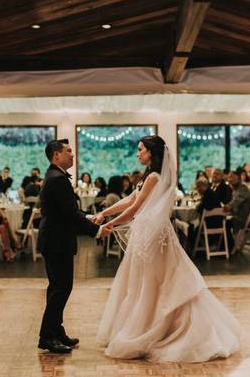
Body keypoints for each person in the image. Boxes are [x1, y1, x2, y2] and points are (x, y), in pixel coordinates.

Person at [93, 135, 240, 362]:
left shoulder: (154, 176)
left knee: (156, 281)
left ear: (151, 152)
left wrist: (111, 223)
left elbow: (135, 208)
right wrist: (105, 212)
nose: (138, 153)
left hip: (154, 234)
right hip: (147, 232)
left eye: (141, 149)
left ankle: (156, 327)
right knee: (146, 281)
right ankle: (150, 322)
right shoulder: (148, 176)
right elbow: (130, 199)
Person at [36, 139, 104, 354]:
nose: (72, 155)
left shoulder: (54, 176)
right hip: (57, 242)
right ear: (56, 156)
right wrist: (97, 230)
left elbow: (68, 211)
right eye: (68, 151)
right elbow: (70, 214)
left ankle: (56, 331)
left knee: (57, 287)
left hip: (55, 240)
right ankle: (47, 337)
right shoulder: (58, 179)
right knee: (61, 288)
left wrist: (90, 217)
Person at [223, 169, 250, 253]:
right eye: (229, 177)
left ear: (239, 179)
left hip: (243, 219)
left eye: (232, 177)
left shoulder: (243, 189)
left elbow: (236, 201)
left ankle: (229, 246)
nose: (230, 179)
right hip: (240, 216)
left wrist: (228, 207)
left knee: (224, 223)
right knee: (223, 221)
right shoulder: (235, 189)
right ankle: (228, 246)